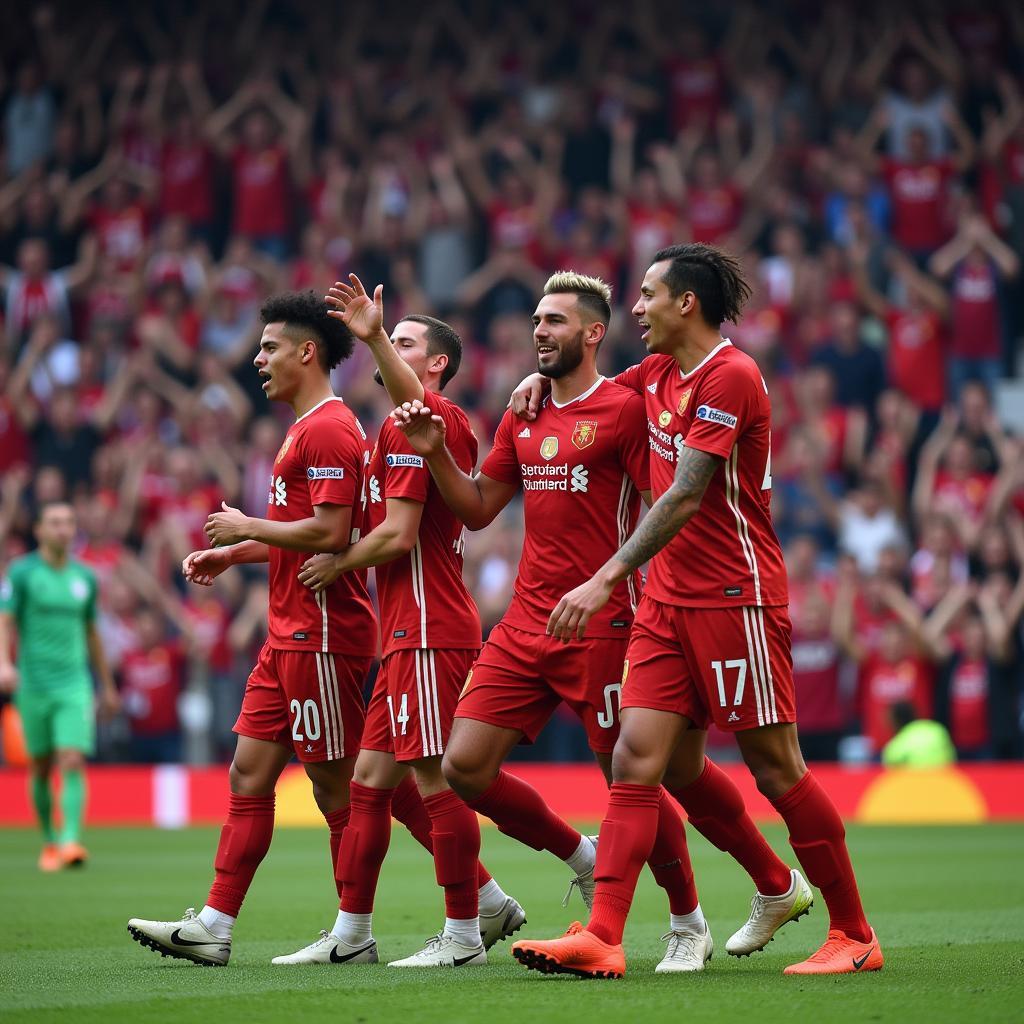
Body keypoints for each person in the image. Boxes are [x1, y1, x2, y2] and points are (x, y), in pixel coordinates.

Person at [392, 272, 803, 974]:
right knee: (462, 767)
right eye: (536, 320)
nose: (539, 331)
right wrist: (435, 452)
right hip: (526, 621)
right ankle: (584, 855)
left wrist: (629, 588)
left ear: (591, 333)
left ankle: (687, 921)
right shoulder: (522, 412)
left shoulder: (627, 408)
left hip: (606, 623)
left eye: (555, 321)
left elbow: (664, 501)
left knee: (638, 777)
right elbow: (479, 506)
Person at [508, 243, 881, 978]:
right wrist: (538, 380)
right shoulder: (655, 374)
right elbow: (594, 389)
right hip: (667, 606)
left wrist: (606, 577)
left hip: (734, 599)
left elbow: (684, 492)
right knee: (634, 759)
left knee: (776, 769)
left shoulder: (732, 375)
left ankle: (854, 933)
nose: (635, 308)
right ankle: (604, 936)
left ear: (687, 303)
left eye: (647, 295)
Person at [274, 277, 523, 968]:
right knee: (369, 786)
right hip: (405, 631)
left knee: (436, 779)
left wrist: (339, 562)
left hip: (429, 627)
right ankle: (352, 933)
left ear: (436, 362)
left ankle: (467, 933)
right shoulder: (397, 426)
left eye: (408, 343)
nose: (389, 350)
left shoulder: (426, 419)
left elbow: (398, 536)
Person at [126, 290, 377, 967]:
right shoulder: (302, 427)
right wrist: (236, 552)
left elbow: (331, 530)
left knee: (337, 789)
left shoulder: (328, 427)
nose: (257, 359)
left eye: (268, 348)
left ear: (306, 352)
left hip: (322, 634)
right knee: (247, 772)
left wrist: (245, 526)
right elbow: (307, 534)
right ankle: (214, 923)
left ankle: (357, 933)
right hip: (287, 631)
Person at [0, 501, 121, 870]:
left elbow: (91, 633)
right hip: (33, 684)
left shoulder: (84, 578)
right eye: (54, 522)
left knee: (71, 757)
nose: (62, 529)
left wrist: (107, 685)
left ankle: (69, 840)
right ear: (38, 530)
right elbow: (6, 620)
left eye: (68, 522)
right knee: (39, 765)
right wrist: (4, 663)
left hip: (74, 684)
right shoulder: (21, 573)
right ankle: (50, 842)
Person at [881, 701, 955, 768]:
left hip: (916, 781)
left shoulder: (895, 746)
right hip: (946, 778)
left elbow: (889, 772)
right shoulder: (937, 729)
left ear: (895, 720)